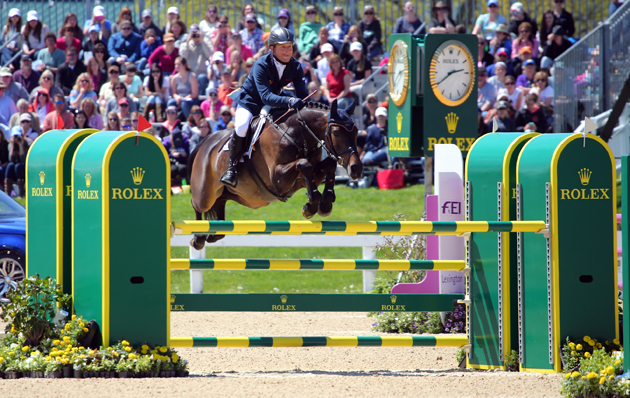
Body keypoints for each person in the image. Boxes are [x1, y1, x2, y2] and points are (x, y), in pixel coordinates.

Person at [223, 27, 308, 188]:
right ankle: (231, 167)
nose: (287, 51)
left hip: (273, 102)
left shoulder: (296, 66)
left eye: (289, 47)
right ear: (272, 48)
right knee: (241, 126)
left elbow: (302, 94)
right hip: (251, 101)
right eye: (283, 47)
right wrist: (289, 101)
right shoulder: (261, 65)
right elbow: (265, 96)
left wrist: (303, 104)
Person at [180, 24, 212, 95]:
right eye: (192, 33)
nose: (194, 35)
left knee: (202, 78)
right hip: (189, 73)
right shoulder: (185, 44)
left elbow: (210, 55)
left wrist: (202, 41)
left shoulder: (204, 43)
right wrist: (187, 42)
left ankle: (201, 98)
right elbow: (183, 57)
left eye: (196, 32)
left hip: (201, 73)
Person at [6, 122, 32, 197]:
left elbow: (24, 161)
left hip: (24, 169)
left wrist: (21, 146)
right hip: (14, 171)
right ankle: (7, 192)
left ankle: (21, 193)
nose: (17, 138)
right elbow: (11, 159)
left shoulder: (28, 143)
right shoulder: (10, 145)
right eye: (15, 136)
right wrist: (13, 145)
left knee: (18, 166)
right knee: (10, 165)